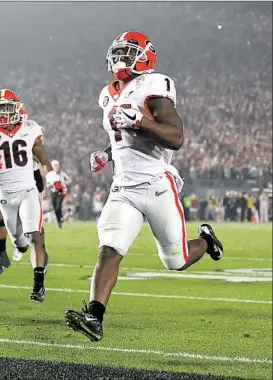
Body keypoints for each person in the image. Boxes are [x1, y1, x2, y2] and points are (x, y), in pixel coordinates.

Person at [65, 31, 223, 341]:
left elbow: (176, 138)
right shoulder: (107, 94)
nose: (121, 58)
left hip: (156, 185)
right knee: (109, 249)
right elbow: (121, 138)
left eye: (129, 52)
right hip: (123, 187)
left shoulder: (154, 85)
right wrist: (106, 154)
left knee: (175, 261)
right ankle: (94, 317)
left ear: (145, 56)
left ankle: (206, 241)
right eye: (119, 52)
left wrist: (141, 122)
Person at [0, 89, 66, 301]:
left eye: (7, 108)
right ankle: (18, 249)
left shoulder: (30, 128)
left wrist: (53, 179)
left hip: (28, 191)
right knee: (21, 243)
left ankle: (38, 285)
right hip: (5, 196)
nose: (4, 114)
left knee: (35, 237)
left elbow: (42, 158)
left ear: (17, 109)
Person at [49, 160, 71, 228]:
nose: (56, 167)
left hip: (61, 192)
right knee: (55, 208)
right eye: (55, 166)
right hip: (53, 192)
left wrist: (64, 183)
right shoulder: (50, 175)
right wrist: (51, 184)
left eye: (57, 165)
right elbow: (47, 184)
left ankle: (61, 219)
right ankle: (59, 221)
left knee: (58, 206)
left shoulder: (62, 173)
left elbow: (69, 180)